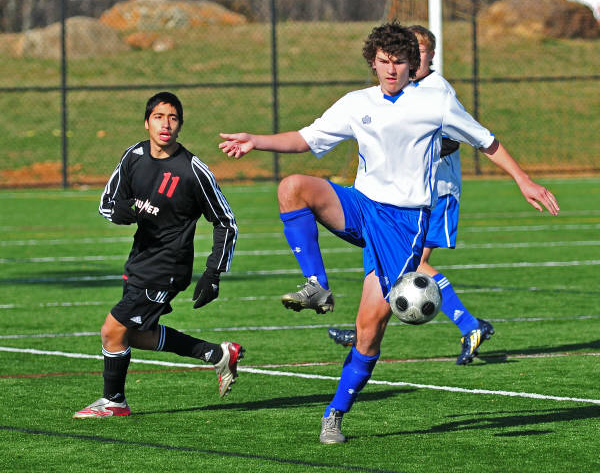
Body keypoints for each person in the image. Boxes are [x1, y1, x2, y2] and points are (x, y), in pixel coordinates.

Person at [218, 22, 559, 443]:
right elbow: (306, 138)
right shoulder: (356, 103)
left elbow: (486, 141)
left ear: (412, 64)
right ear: (373, 62)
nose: (391, 69)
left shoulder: (435, 101)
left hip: (404, 224)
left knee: (368, 331)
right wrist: (256, 140)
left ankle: (334, 413)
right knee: (292, 188)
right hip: (362, 206)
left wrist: (524, 180)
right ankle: (317, 285)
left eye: (399, 61)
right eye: (384, 61)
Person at [328, 25, 494, 365]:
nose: (401, 61)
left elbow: (456, 138)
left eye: (417, 51)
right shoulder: (402, 91)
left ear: (428, 55)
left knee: (413, 265)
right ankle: (365, 328)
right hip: (400, 198)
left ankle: (468, 324)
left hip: (436, 192)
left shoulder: (436, 90)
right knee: (385, 262)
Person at [74, 91, 243, 418]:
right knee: (135, 335)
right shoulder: (134, 156)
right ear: (146, 122)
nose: (166, 124)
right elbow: (108, 204)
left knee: (112, 330)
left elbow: (226, 221)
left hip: (168, 267)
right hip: (139, 260)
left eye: (173, 118)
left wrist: (213, 272)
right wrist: (127, 212)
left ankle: (114, 401)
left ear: (180, 125)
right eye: (159, 117)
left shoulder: (193, 170)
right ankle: (217, 354)